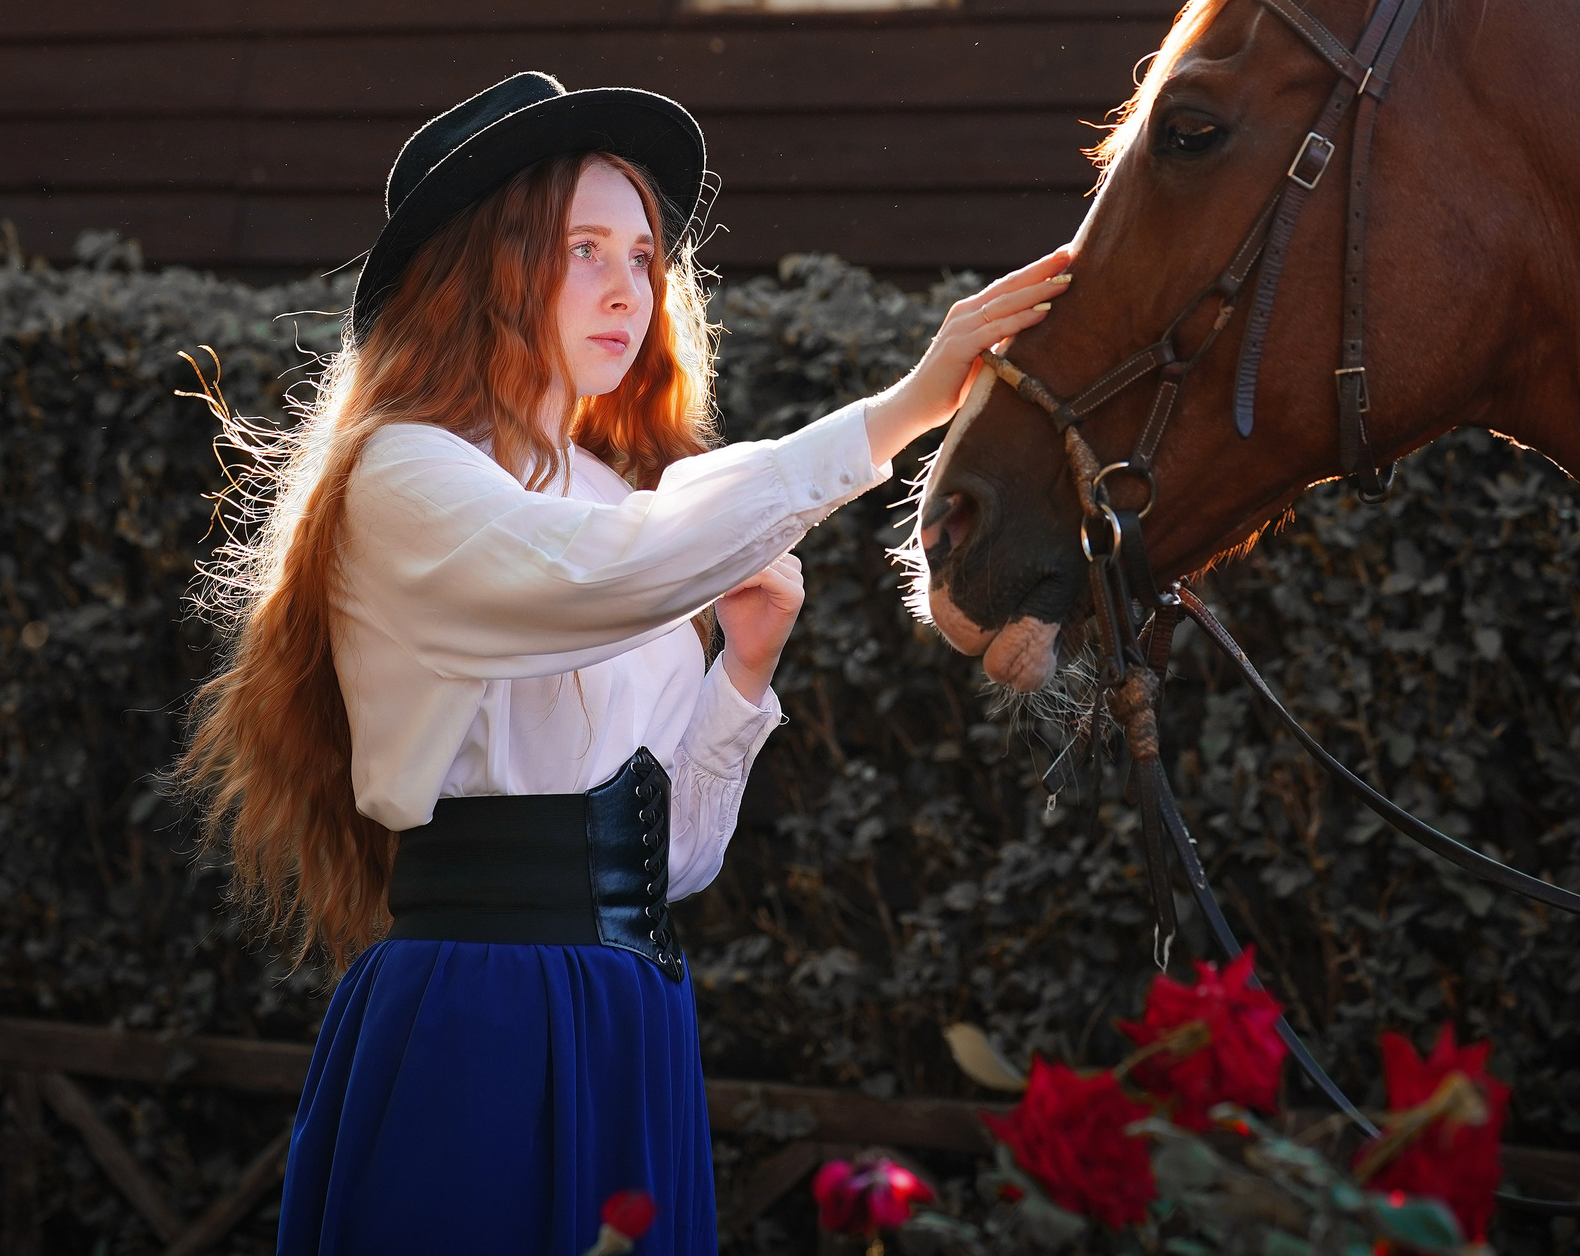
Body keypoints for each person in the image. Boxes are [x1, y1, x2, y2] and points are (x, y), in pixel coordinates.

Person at [179, 72, 1070, 1253]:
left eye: (644, 255)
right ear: (478, 274)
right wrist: (898, 410)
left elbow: (673, 863)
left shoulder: (619, 499)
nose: (626, 287)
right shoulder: (406, 475)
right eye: (579, 248)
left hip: (629, 1017)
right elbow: (598, 574)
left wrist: (740, 675)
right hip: (482, 1013)